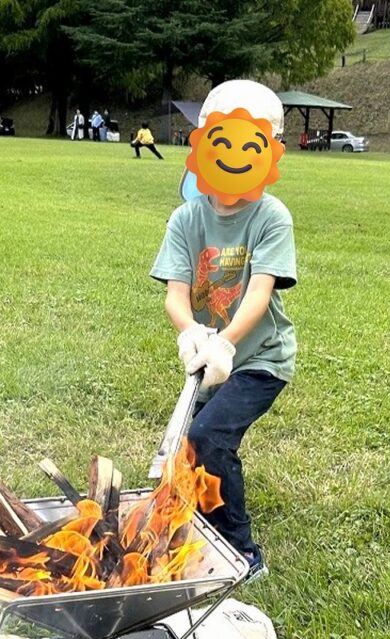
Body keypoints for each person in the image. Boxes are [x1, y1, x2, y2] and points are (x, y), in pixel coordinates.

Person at [150, 81, 295, 581]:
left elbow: (259, 292)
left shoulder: (271, 217)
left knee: (209, 437)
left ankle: (242, 555)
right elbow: (176, 293)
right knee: (184, 449)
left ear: (270, 151)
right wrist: (191, 332)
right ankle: (186, 532)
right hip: (208, 358)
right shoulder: (185, 219)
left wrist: (226, 343)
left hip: (260, 359)